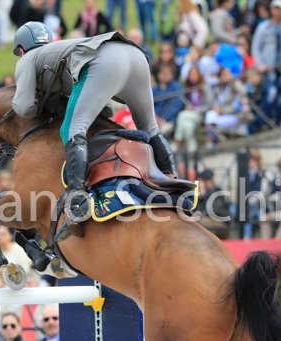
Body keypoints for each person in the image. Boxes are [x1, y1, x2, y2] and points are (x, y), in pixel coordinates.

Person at [11, 22, 178, 239]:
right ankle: (174, 182)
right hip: (135, 55)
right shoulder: (59, 52)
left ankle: (77, 199)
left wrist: (39, 108)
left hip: (105, 58)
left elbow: (24, 107)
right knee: (150, 127)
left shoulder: (27, 59)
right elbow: (105, 109)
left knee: (71, 129)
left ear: (21, 50)